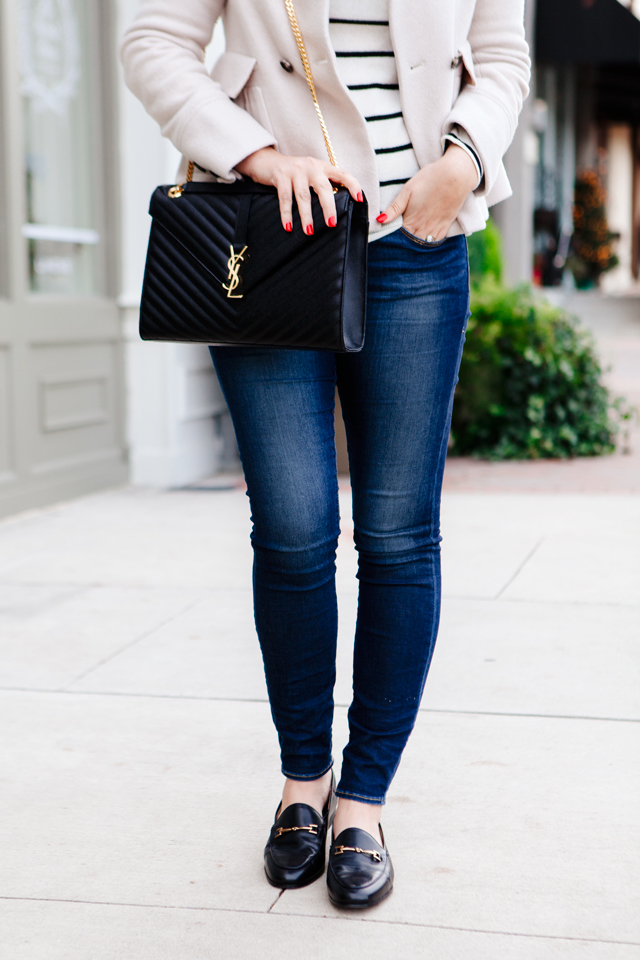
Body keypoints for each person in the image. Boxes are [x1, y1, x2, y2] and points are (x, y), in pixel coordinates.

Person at [121, 0, 530, 909]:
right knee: (296, 530)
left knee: (395, 534)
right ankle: (300, 787)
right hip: (271, 235)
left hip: (416, 242)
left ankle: (362, 802)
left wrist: (462, 162)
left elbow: (502, 54)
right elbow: (153, 41)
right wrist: (256, 155)